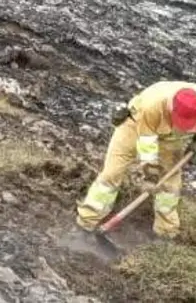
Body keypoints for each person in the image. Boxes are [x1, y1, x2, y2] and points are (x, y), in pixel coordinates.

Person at [76, 81, 196, 239]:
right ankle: (87, 222)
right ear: (172, 108)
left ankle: (166, 232)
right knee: (112, 174)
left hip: (173, 139)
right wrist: (151, 176)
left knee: (170, 185)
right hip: (134, 126)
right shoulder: (152, 105)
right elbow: (147, 146)